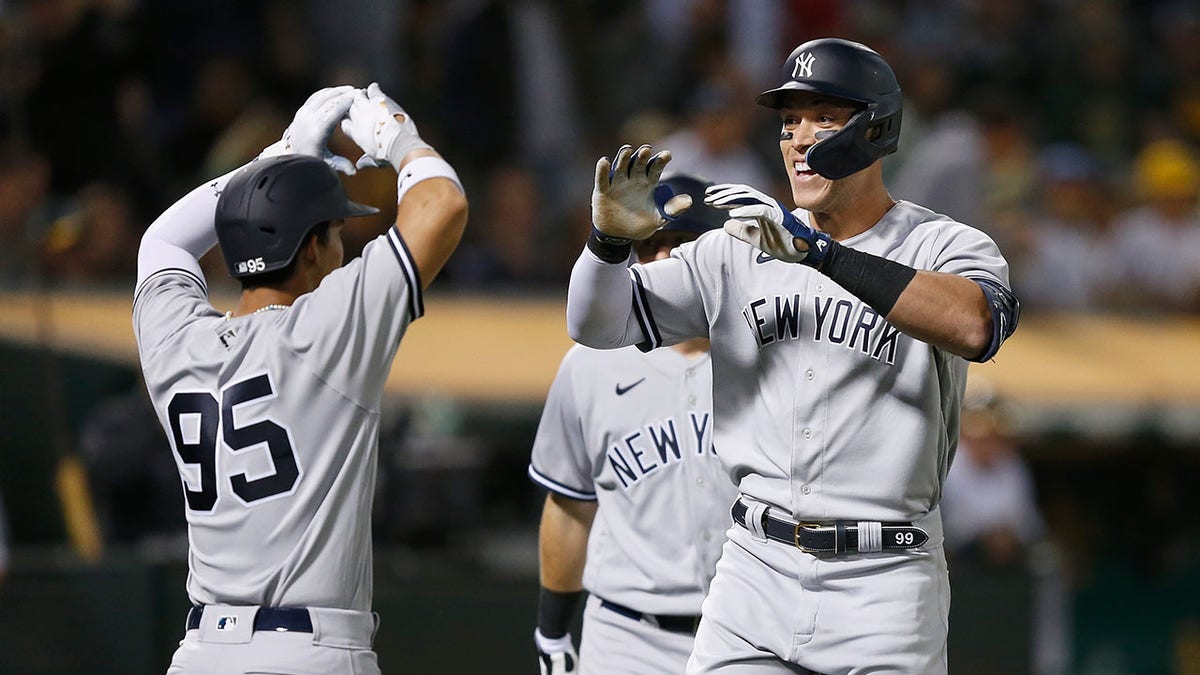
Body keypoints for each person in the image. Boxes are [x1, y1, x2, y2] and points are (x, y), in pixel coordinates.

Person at [566, 37, 1020, 674]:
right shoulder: (736, 246)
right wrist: (607, 243)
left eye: (824, 118)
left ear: (876, 130)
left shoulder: (941, 242)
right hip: (755, 568)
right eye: (788, 122)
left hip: (884, 582)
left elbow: (976, 326)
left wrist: (819, 255)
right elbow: (597, 324)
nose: (800, 138)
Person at [132, 83, 468, 674]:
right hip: (307, 651)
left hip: (202, 654)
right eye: (336, 233)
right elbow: (442, 205)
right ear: (312, 248)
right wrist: (396, 137)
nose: (343, 246)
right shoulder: (324, 331)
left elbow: (162, 241)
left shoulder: (176, 342)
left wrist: (272, 162)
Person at [529, 174, 738, 675]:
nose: (665, 261)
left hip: (747, 634)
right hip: (626, 639)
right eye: (652, 246)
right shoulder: (590, 363)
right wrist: (552, 629)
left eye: (684, 246)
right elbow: (569, 506)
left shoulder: (769, 354)